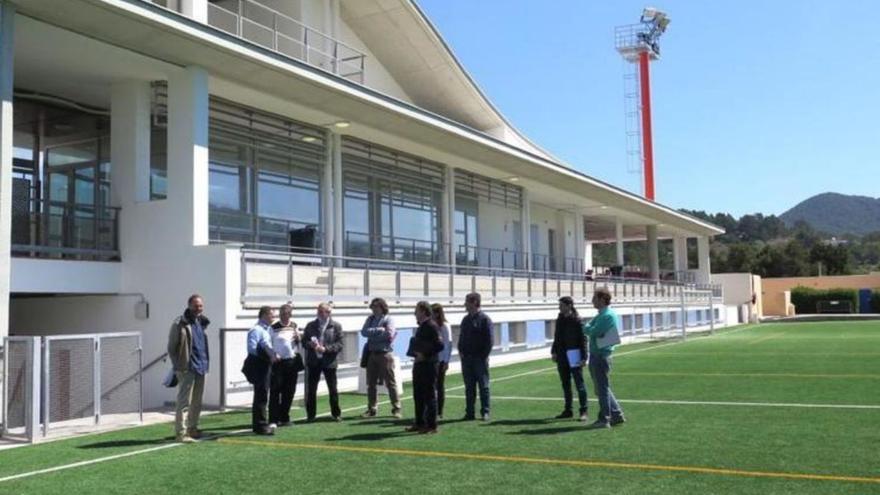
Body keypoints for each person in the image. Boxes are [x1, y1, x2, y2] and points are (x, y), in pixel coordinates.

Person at [167, 294, 211, 443]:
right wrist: (178, 366)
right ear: (189, 306)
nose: (199, 308)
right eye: (196, 305)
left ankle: (193, 428)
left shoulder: (201, 322)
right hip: (186, 368)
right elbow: (171, 348)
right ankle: (181, 433)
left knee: (197, 402)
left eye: (200, 305)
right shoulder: (180, 323)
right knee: (184, 402)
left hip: (201, 367)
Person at [583, 288, 626, 428]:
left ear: (602, 299)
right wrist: (588, 328)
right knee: (602, 388)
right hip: (597, 355)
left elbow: (593, 331)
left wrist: (588, 328)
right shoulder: (601, 314)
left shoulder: (607, 315)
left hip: (601, 356)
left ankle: (604, 419)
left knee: (602, 389)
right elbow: (589, 328)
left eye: (594, 298)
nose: (592, 301)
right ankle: (616, 414)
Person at [360, 298, 401, 418]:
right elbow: (363, 332)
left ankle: (396, 408)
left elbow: (389, 334)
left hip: (385, 354)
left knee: (390, 382)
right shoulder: (370, 319)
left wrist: (373, 336)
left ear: (382, 307)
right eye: (372, 307)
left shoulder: (389, 319)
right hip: (372, 354)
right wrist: (378, 331)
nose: (373, 309)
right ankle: (372, 409)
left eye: (375, 307)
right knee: (371, 383)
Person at [405, 301, 443, 434]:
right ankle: (419, 422)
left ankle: (432, 425)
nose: (415, 313)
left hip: (429, 364)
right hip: (419, 364)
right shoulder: (422, 326)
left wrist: (425, 355)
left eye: (416, 310)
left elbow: (440, 345)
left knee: (429, 394)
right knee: (418, 394)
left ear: (423, 311)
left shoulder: (432, 325)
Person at [303, 302, 344, 422]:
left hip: (329, 362)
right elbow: (304, 341)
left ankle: (336, 414)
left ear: (329, 313)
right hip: (314, 361)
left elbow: (340, 344)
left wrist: (326, 349)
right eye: (318, 311)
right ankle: (311, 415)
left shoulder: (336, 326)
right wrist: (309, 344)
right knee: (311, 390)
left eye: (323, 311)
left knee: (333, 389)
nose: (320, 314)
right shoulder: (310, 325)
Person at [551, 296, 589, 422]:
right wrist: (554, 351)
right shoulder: (560, 319)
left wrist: (584, 357)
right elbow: (556, 336)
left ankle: (584, 411)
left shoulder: (577, 320)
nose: (559, 308)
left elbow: (583, 340)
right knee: (565, 384)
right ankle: (568, 410)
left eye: (561, 305)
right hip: (562, 355)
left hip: (574, 354)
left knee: (579, 384)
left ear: (569, 306)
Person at [458, 292, 493, 421]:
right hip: (466, 358)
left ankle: (485, 411)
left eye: (467, 302)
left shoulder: (484, 319)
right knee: (469, 387)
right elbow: (461, 337)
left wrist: (484, 356)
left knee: (483, 386)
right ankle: (469, 412)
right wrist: (461, 351)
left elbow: (489, 341)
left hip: (479, 359)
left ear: (474, 302)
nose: (465, 305)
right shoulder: (465, 320)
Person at [244, 306, 278, 435]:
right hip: (259, 365)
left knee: (263, 394)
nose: (273, 318)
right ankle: (260, 425)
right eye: (271, 315)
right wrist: (268, 355)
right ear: (264, 315)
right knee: (261, 395)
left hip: (266, 364)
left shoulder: (267, 329)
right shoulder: (256, 330)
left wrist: (272, 355)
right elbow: (252, 348)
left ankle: (261, 423)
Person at [269, 303, 303, 427]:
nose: (284, 316)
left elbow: (299, 341)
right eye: (282, 314)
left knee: (289, 391)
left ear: (290, 314)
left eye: (287, 314)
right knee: (275, 391)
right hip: (278, 363)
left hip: (292, 362)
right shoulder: (273, 328)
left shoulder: (294, 326)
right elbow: (269, 343)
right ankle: (273, 419)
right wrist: (273, 355)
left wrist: (299, 337)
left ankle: (284, 417)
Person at [431, 303, 452, 420]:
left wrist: (446, 361)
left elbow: (448, 344)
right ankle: (431, 410)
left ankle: (439, 411)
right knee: (431, 386)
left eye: (433, 312)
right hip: (432, 359)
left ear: (438, 313)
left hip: (441, 360)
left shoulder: (444, 326)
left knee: (439, 385)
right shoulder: (431, 325)